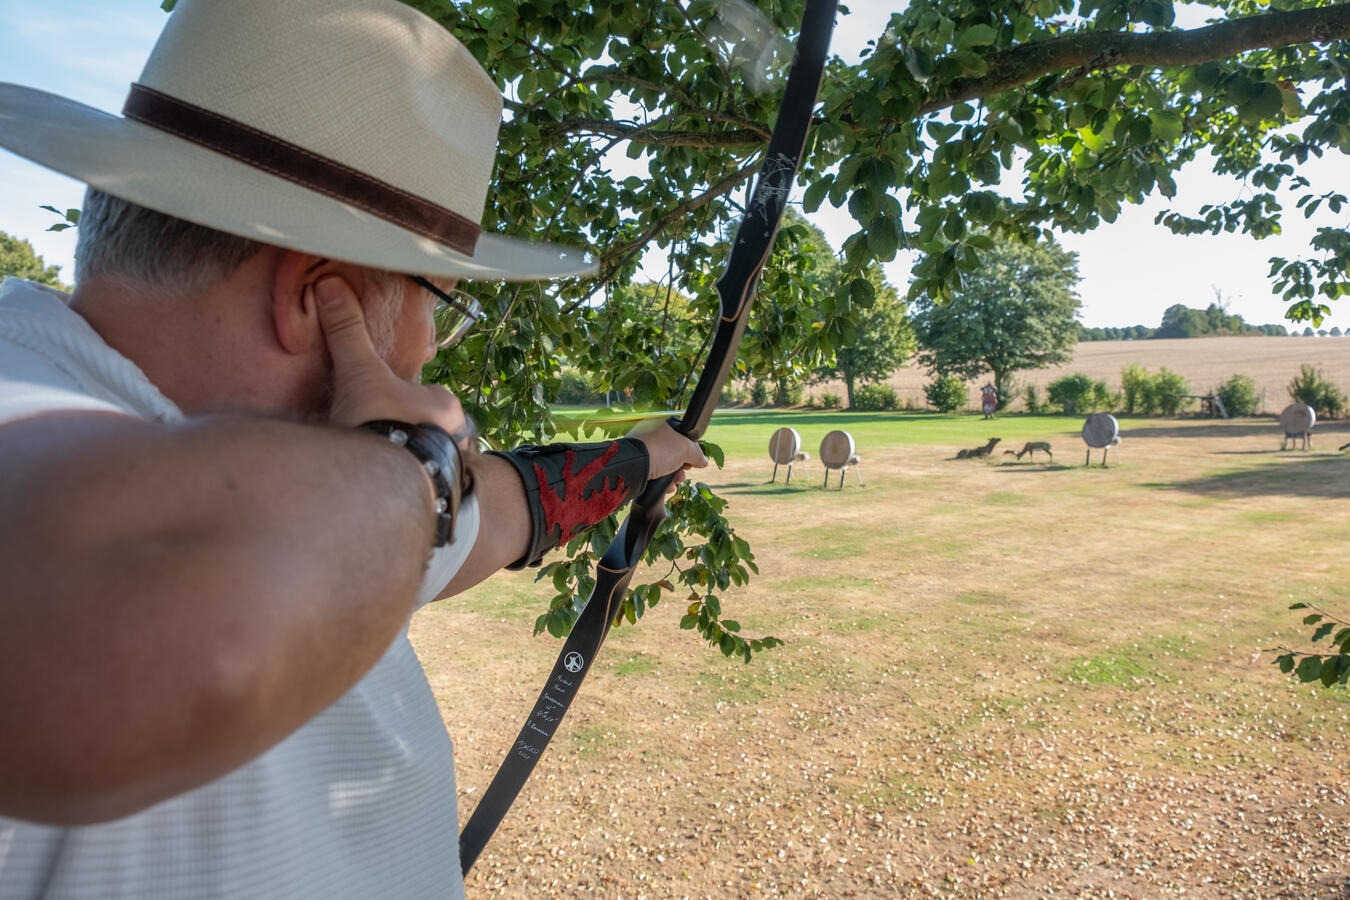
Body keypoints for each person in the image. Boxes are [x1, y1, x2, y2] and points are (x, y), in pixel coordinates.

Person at [0, 0, 706, 896]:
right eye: (440, 302)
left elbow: (500, 513)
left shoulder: (339, 487)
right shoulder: (25, 402)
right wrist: (416, 463)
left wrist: (642, 458)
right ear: (314, 297)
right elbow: (157, 645)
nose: (429, 351)